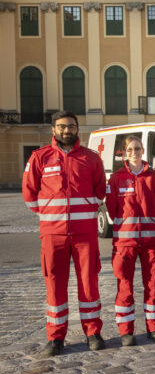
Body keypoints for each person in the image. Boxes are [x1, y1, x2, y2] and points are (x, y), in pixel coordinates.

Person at [22, 111, 107, 356]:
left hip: (85, 233)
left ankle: (93, 332)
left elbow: (100, 189)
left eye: (71, 126)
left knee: (89, 283)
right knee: (54, 284)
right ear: (54, 130)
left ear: (77, 129)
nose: (66, 130)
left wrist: (85, 209)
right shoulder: (40, 157)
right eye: (62, 126)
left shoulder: (91, 158)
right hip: (53, 234)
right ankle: (56, 337)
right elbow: (29, 193)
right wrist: (50, 215)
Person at [105, 136, 155, 346]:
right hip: (124, 243)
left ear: (143, 151)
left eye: (138, 148)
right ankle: (126, 331)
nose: (134, 152)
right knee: (125, 286)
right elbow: (112, 209)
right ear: (124, 152)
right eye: (130, 149)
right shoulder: (116, 179)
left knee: (152, 285)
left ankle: (154, 328)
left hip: (151, 241)